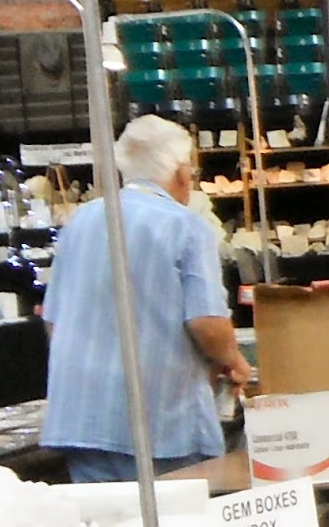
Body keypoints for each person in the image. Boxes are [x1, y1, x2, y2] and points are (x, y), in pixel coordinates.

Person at [42, 114, 251, 483]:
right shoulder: (185, 226)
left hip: (82, 423)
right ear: (183, 174)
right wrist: (233, 360)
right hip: (160, 425)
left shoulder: (79, 223)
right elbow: (206, 323)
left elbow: (53, 323)